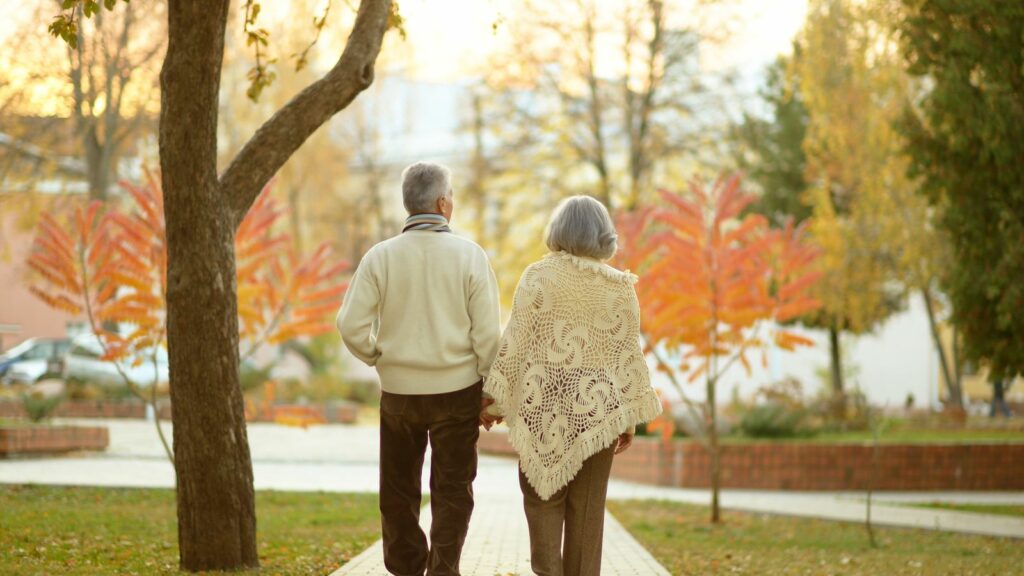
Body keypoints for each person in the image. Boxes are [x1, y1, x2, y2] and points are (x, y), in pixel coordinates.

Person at [481, 195, 661, 576]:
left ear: (558, 231)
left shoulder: (538, 277)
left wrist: (493, 405)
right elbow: (625, 358)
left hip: (543, 406)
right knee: (587, 517)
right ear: (603, 234)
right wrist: (626, 422)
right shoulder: (620, 288)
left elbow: (516, 347)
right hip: (599, 416)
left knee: (542, 505)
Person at [337, 161, 500, 576]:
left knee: (397, 489)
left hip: (399, 393)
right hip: (458, 391)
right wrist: (488, 388)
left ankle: (407, 567)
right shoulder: (470, 256)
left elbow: (350, 325)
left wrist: (378, 357)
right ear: (444, 203)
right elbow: (487, 337)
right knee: (452, 490)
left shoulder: (380, 257)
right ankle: (443, 570)